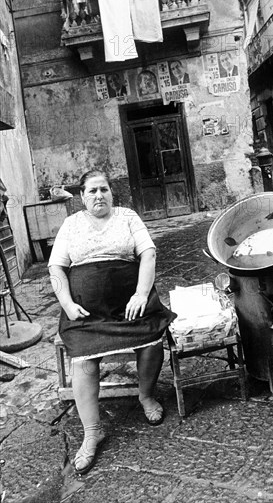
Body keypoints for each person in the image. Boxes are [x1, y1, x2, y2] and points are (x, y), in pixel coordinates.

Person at [48, 170, 175, 475]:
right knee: (84, 361)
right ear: (82, 196)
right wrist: (67, 303)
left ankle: (146, 396)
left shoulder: (127, 216)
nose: (98, 195)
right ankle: (92, 431)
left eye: (103, 189)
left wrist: (142, 293)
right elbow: (56, 267)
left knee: (151, 341)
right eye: (91, 191)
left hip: (130, 305)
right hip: (87, 314)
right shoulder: (71, 224)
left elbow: (148, 254)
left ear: (112, 193)